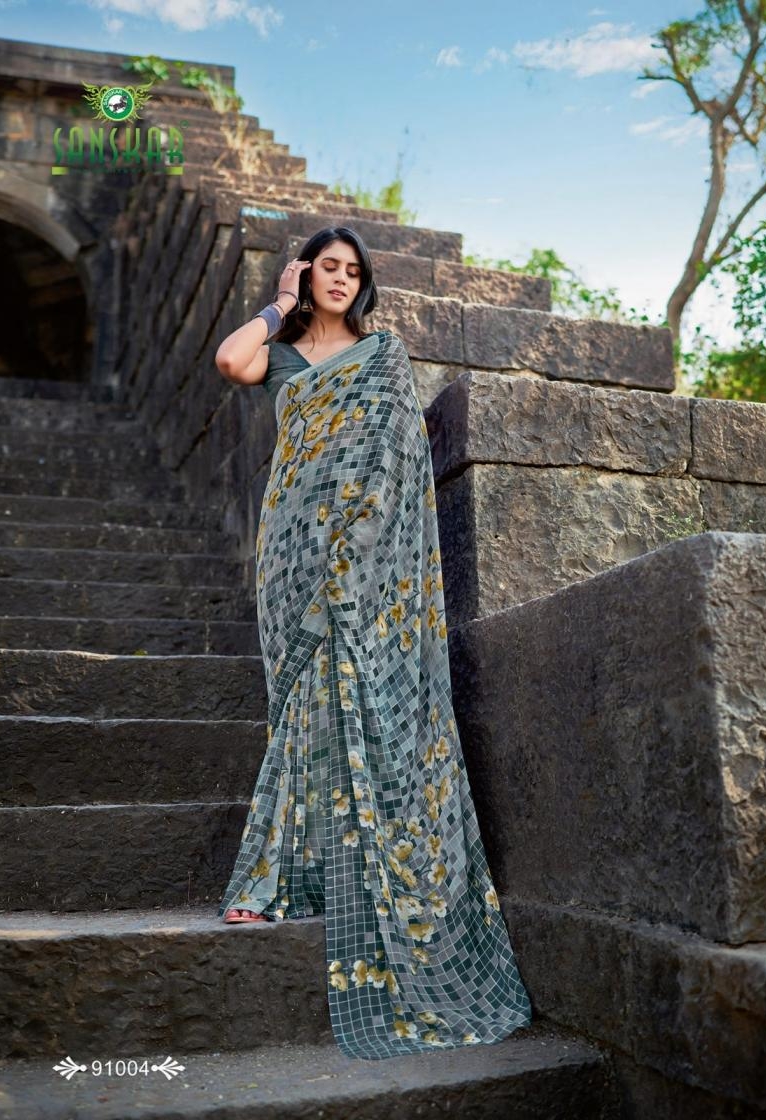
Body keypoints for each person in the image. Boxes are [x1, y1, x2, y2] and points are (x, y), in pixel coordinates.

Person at [214, 226, 533, 1060]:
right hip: (290, 549)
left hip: (361, 556)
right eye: (327, 267)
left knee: (349, 699)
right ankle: (284, 874)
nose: (340, 280)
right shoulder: (282, 354)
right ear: (306, 272)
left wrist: (359, 548)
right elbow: (229, 362)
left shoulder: (382, 353)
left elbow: (394, 458)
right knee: (299, 706)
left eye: (352, 271)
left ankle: (298, 877)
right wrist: (277, 305)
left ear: (364, 284)